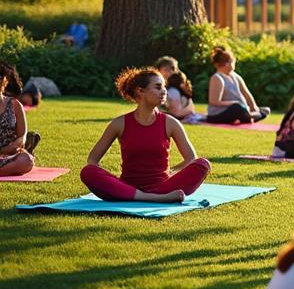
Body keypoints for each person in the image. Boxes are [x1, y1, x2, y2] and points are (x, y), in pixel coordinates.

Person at [81, 69, 211, 201]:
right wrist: (110, 183)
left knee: (203, 164)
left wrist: (171, 171)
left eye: (164, 87)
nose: (164, 91)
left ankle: (141, 196)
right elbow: (93, 160)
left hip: (163, 187)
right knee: (88, 172)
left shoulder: (171, 123)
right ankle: (152, 197)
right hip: (129, 186)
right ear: (140, 91)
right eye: (158, 87)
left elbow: (191, 158)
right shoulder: (119, 124)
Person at [205, 46, 270, 124]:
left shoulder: (236, 76)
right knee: (237, 108)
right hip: (217, 114)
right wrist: (234, 103)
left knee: (266, 110)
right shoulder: (217, 78)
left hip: (242, 109)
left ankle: (251, 115)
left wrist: (254, 107)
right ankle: (249, 116)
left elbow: (247, 94)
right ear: (226, 63)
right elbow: (214, 101)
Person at [0, 62, 35, 177]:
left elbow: (22, 137)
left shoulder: (15, 105)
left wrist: (8, 149)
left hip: (9, 155)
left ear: (5, 81)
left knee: (26, 161)